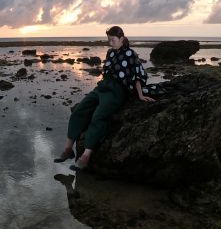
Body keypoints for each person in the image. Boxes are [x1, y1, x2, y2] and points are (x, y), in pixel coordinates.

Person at [54, 26, 154, 171]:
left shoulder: (131, 54)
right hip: (102, 87)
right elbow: (107, 72)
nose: (110, 43)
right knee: (79, 111)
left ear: (121, 38)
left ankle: (86, 155)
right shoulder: (110, 53)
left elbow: (137, 75)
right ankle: (68, 149)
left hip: (117, 91)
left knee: (98, 116)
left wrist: (140, 95)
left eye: (112, 40)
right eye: (109, 40)